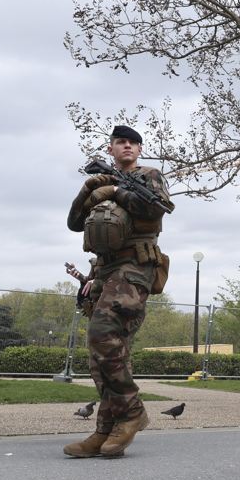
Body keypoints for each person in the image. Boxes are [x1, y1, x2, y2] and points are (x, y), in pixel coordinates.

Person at [64, 126, 174, 458]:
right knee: (101, 355)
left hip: (134, 266)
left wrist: (113, 190)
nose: (127, 146)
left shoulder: (149, 175)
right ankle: (104, 430)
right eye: (120, 142)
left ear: (139, 150)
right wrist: (90, 190)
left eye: (133, 143)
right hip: (103, 269)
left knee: (102, 335)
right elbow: (73, 222)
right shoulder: (99, 179)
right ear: (110, 150)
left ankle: (131, 412)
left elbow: (156, 209)